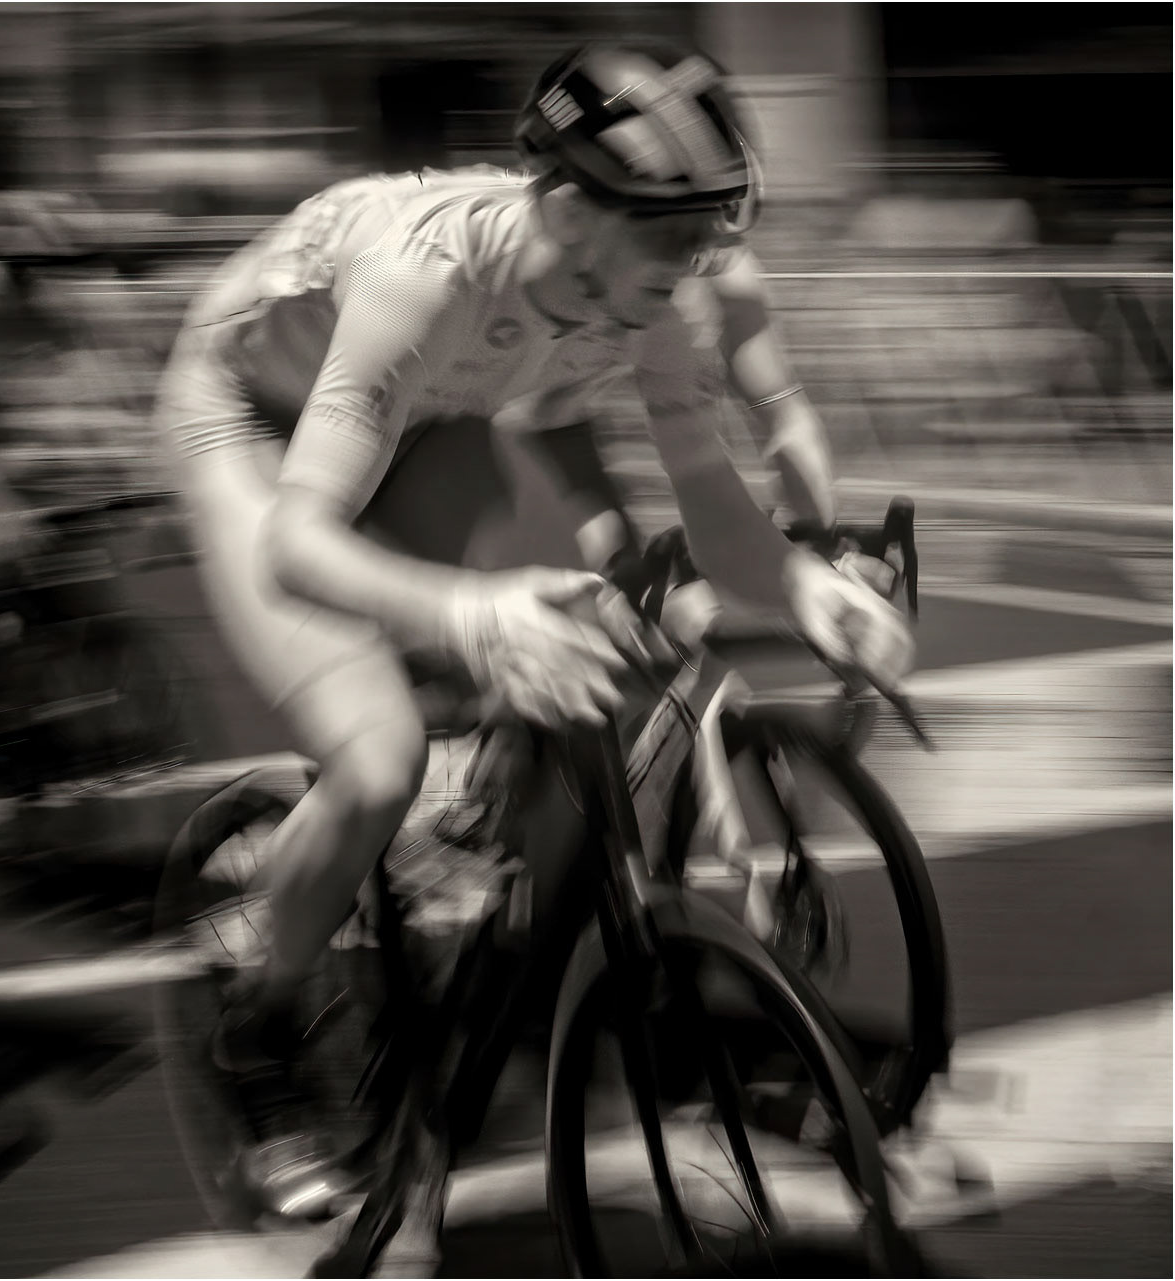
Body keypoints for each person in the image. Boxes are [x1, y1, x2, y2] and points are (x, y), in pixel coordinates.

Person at [152, 40, 915, 1216]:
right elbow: (297, 545)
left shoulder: (642, 286)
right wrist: (466, 610)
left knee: (607, 637)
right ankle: (257, 1029)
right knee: (376, 759)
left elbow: (715, 511)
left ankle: (483, 878)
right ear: (567, 209)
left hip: (424, 413)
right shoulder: (424, 275)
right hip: (250, 419)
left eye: (711, 230)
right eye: (675, 232)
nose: (699, 259)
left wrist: (809, 590)